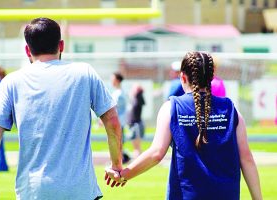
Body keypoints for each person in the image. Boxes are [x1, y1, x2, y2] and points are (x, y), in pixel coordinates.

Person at [0, 17, 122, 200]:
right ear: (61, 45)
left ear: (27, 50)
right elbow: (112, 121)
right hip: (80, 191)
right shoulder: (84, 73)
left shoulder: (11, 82)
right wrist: (116, 164)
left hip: (34, 191)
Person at [105, 52, 262, 200]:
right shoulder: (230, 109)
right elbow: (246, 159)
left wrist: (124, 174)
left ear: (182, 77)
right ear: (212, 77)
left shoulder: (172, 107)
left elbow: (156, 153)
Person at [111, 72, 130, 164]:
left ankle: (118, 161)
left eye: (113, 78)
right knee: (117, 141)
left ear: (117, 80)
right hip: (117, 121)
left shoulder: (119, 94)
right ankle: (118, 160)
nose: (111, 80)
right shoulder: (118, 92)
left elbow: (115, 109)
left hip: (118, 122)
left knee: (118, 141)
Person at [127, 84, 145, 158]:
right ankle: (138, 160)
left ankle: (137, 161)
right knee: (136, 146)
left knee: (136, 147)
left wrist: (135, 93)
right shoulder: (134, 100)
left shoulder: (138, 98)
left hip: (135, 124)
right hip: (133, 125)